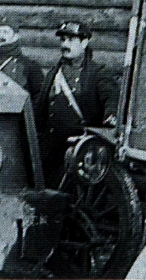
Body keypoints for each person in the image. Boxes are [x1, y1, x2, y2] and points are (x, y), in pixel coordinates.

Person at [34, 21, 118, 188]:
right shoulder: (54, 72)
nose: (65, 44)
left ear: (84, 42)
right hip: (50, 151)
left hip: (77, 153)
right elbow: (41, 107)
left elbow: (111, 97)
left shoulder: (97, 73)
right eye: (63, 40)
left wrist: (111, 115)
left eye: (71, 40)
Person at [0, 23, 44, 106]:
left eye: (5, 32)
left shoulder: (29, 66)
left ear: (15, 37)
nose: (0, 36)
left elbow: (39, 99)